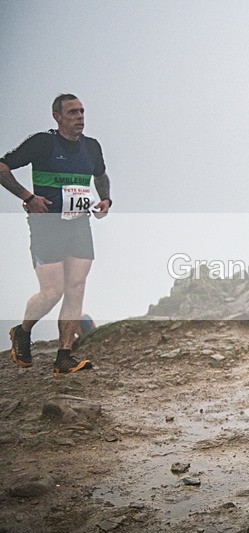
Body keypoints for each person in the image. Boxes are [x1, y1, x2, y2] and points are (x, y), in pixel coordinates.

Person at [1, 94, 112, 374]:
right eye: (72, 112)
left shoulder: (92, 147)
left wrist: (105, 199)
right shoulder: (42, 143)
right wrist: (28, 197)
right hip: (47, 225)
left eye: (82, 111)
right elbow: (2, 167)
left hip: (79, 224)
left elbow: (100, 175)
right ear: (57, 117)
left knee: (76, 286)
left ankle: (64, 356)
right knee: (52, 291)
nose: (80, 117)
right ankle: (23, 330)